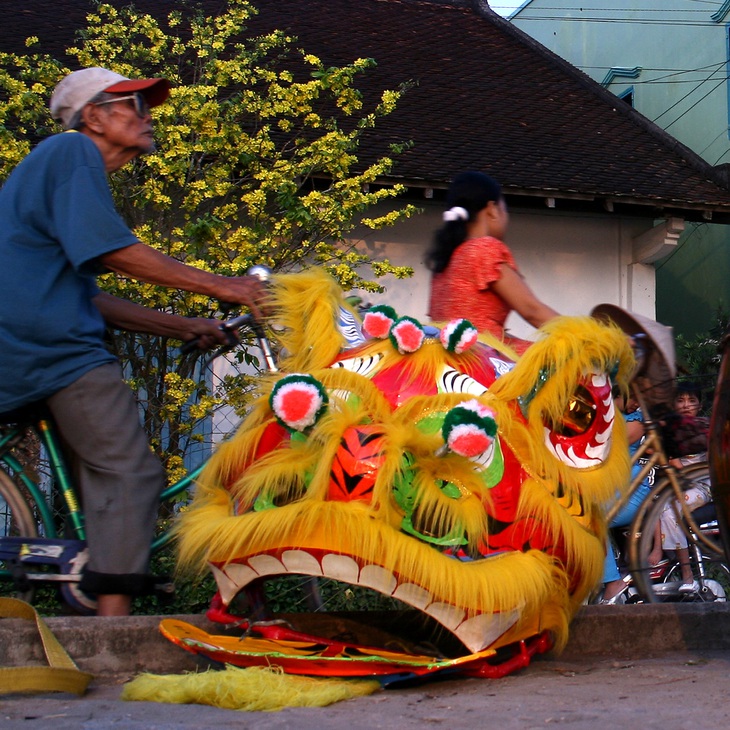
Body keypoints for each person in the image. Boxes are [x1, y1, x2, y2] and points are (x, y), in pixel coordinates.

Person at [0, 67, 265, 616]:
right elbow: (110, 249)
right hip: (49, 350)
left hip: (28, 341)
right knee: (131, 471)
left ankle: (92, 588)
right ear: (94, 116)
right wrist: (226, 286)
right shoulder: (70, 152)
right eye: (133, 106)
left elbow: (89, 297)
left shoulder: (53, 169)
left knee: (103, 487)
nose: (147, 119)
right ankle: (113, 627)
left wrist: (184, 324)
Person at [426, 171, 558, 355]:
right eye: (505, 209)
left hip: (448, 362)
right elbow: (532, 311)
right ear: (492, 210)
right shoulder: (483, 249)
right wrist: (587, 336)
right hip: (484, 359)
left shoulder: (445, 260)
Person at [647, 381, 710, 591]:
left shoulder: (707, 428)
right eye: (680, 401)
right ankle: (661, 551)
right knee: (653, 502)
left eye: (691, 401)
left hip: (702, 486)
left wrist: (676, 464)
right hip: (676, 485)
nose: (686, 405)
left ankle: (687, 575)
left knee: (670, 511)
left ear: (699, 405)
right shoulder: (669, 431)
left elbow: (710, 466)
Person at [600, 392, 654, 603]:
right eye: (632, 398)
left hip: (632, 491)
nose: (635, 404)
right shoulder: (612, 417)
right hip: (612, 492)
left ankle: (613, 583)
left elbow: (607, 445)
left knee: (591, 522)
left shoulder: (635, 421)